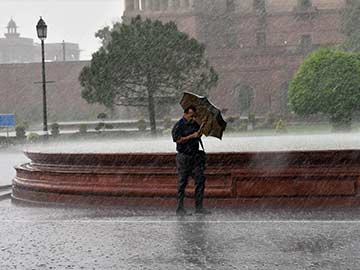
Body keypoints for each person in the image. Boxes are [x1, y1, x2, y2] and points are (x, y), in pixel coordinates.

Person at [171, 105, 211, 215]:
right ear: (185, 113)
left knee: (200, 180)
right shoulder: (179, 125)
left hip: (195, 156)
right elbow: (177, 140)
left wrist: (202, 128)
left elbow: (198, 134)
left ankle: (199, 207)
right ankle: (180, 208)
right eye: (191, 115)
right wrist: (191, 136)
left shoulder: (194, 124)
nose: (193, 118)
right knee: (182, 182)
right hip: (183, 157)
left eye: (194, 116)